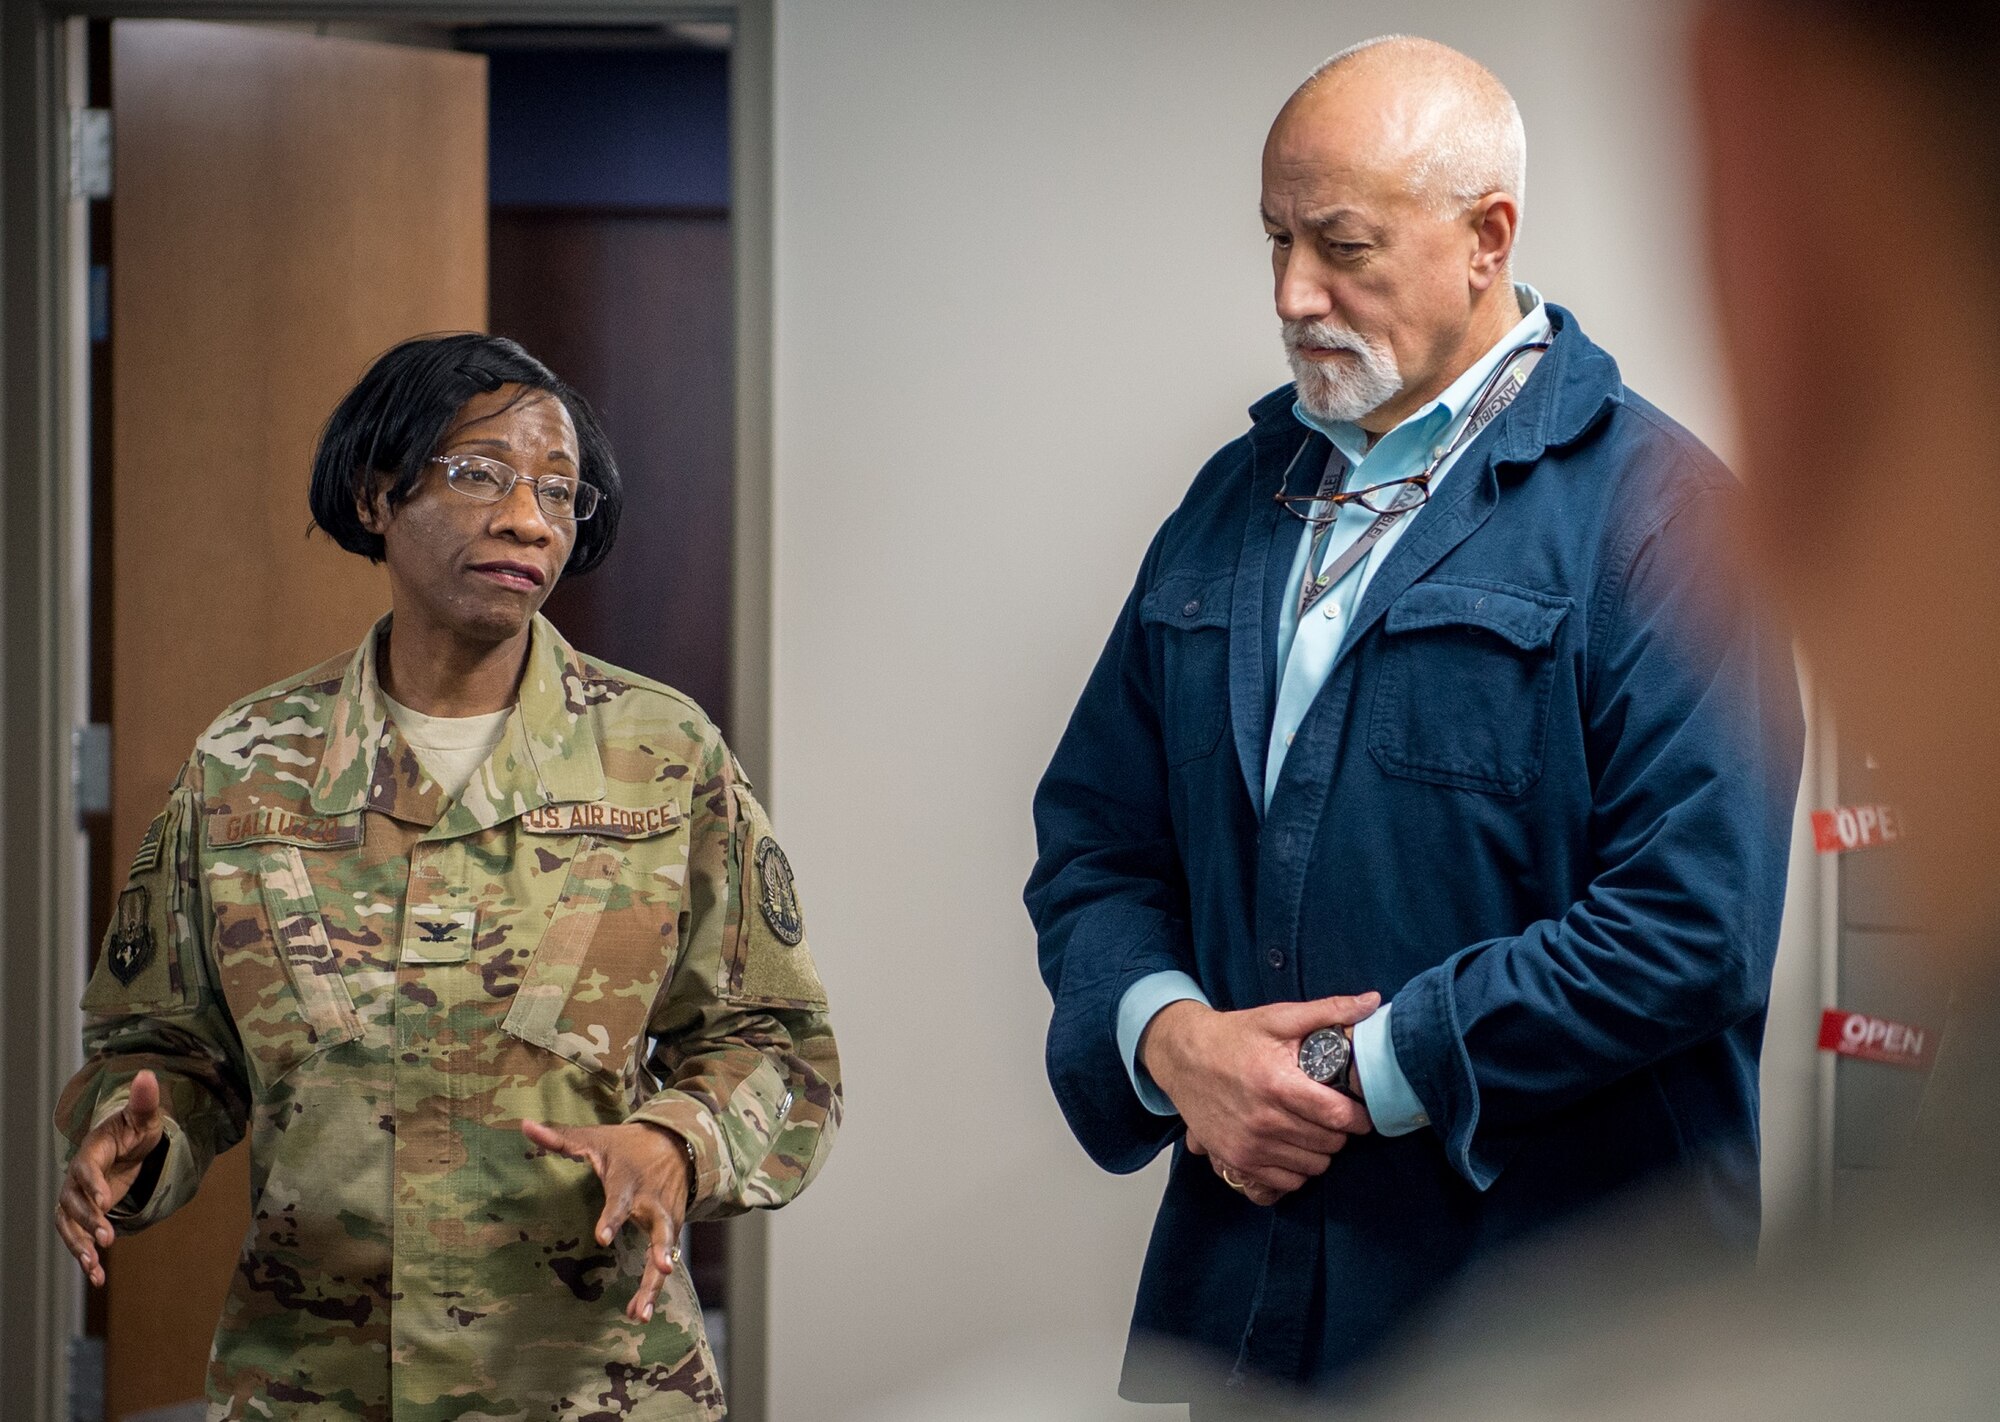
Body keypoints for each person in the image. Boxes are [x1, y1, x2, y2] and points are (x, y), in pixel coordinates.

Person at [1024, 35, 1803, 1412]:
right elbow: (1093, 841)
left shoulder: (1666, 515)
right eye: (1274, 238)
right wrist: (1170, 1040)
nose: (1291, 292)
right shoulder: (1232, 502)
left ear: (1487, 239)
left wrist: (1335, 1071)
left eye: (1342, 244)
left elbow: (1689, 925)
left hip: (1567, 1328)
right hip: (1254, 1315)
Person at [52, 333, 840, 1421]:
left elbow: (775, 1044)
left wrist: (676, 1142)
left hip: (590, 1387)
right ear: (378, 495)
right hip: (311, 1384)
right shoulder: (245, 763)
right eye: (480, 474)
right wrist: (137, 1142)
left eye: (560, 494)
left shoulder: (666, 756)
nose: (528, 519)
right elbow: (167, 1049)